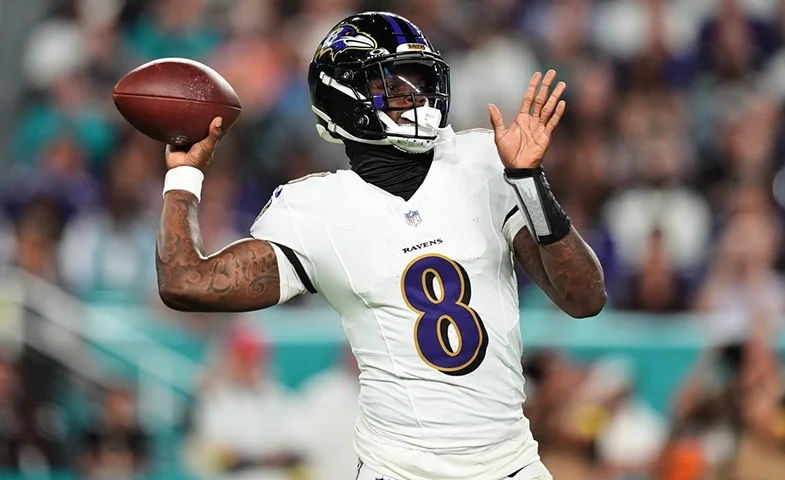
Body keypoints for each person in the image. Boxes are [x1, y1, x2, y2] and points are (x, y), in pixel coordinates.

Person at [156, 11, 606, 480]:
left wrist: (529, 181)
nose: (416, 96)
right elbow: (186, 283)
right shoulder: (316, 209)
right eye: (394, 83)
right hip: (397, 470)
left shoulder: (485, 161)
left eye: (420, 79)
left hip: (510, 463)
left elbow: (584, 298)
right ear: (344, 96)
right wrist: (184, 175)